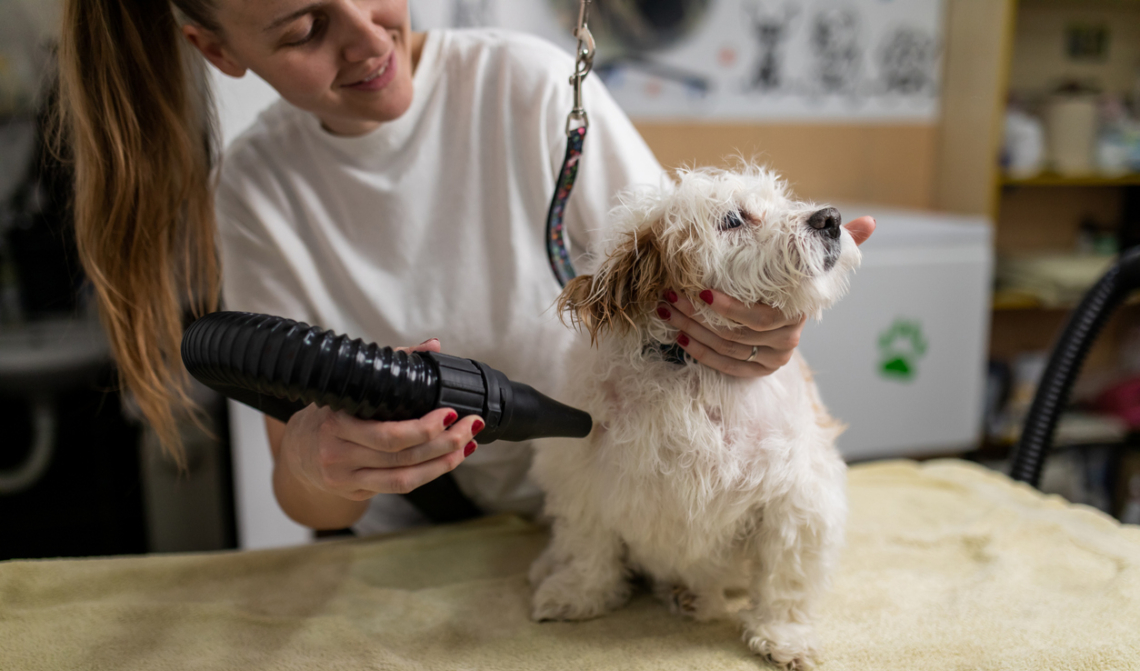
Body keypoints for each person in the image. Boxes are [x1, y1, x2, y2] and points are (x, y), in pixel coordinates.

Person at [58, 0, 875, 535]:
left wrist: (759, 333)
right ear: (217, 49)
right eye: (303, 29)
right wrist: (319, 465)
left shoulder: (531, 86)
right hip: (429, 543)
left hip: (610, 517)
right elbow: (304, 497)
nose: (368, 38)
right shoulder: (256, 190)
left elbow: (696, 282)